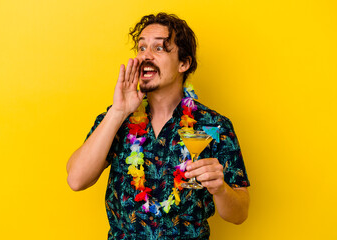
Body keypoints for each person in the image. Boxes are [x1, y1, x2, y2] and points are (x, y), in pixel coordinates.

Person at [67, 13, 250, 239]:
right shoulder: (117, 118)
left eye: (159, 49)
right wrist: (118, 111)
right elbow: (76, 180)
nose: (146, 56)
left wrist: (220, 189)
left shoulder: (214, 125)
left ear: (184, 63)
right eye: (142, 48)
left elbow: (240, 213)